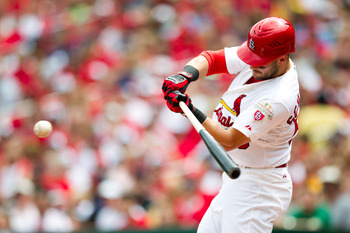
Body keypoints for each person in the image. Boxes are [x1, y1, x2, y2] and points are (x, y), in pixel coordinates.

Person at [162, 17, 300, 233]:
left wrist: (191, 111)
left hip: (259, 185)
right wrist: (185, 75)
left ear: (282, 58)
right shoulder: (263, 56)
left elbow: (228, 141)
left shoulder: (278, 98)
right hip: (239, 176)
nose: (252, 64)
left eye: (260, 62)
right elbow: (214, 59)